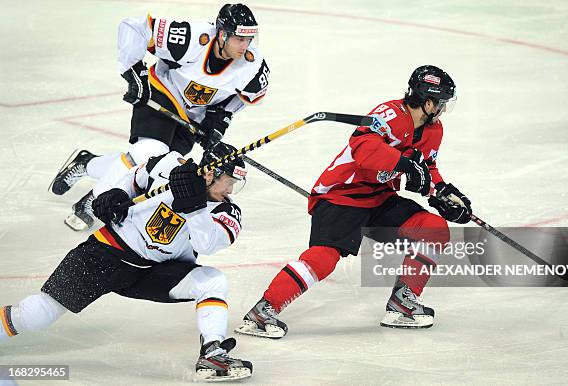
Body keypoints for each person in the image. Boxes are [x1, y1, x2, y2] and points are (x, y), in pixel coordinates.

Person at [235, 65, 472, 338]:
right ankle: (262, 313)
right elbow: (364, 150)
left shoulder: (433, 130)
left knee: (433, 228)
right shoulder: (389, 114)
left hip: (380, 197)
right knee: (324, 258)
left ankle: (402, 304)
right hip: (341, 195)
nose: (442, 110)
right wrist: (405, 165)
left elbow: (426, 167)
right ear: (428, 101)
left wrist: (444, 193)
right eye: (441, 103)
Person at [2, 143, 253, 381]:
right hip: (104, 254)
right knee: (38, 314)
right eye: (228, 182)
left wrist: (194, 207)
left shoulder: (227, 212)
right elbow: (134, 179)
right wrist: (115, 193)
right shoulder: (167, 165)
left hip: (153, 273)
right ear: (210, 173)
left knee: (212, 281)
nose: (230, 191)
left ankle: (212, 353)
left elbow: (206, 244)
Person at [49, 3, 269, 231]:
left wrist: (220, 118)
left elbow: (244, 97)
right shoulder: (193, 39)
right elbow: (135, 28)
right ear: (222, 35)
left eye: (249, 39)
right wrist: (134, 72)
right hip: (163, 94)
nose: (245, 45)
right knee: (147, 153)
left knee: (154, 163)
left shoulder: (253, 65)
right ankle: (92, 203)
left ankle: (88, 164)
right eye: (239, 39)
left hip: (193, 117)